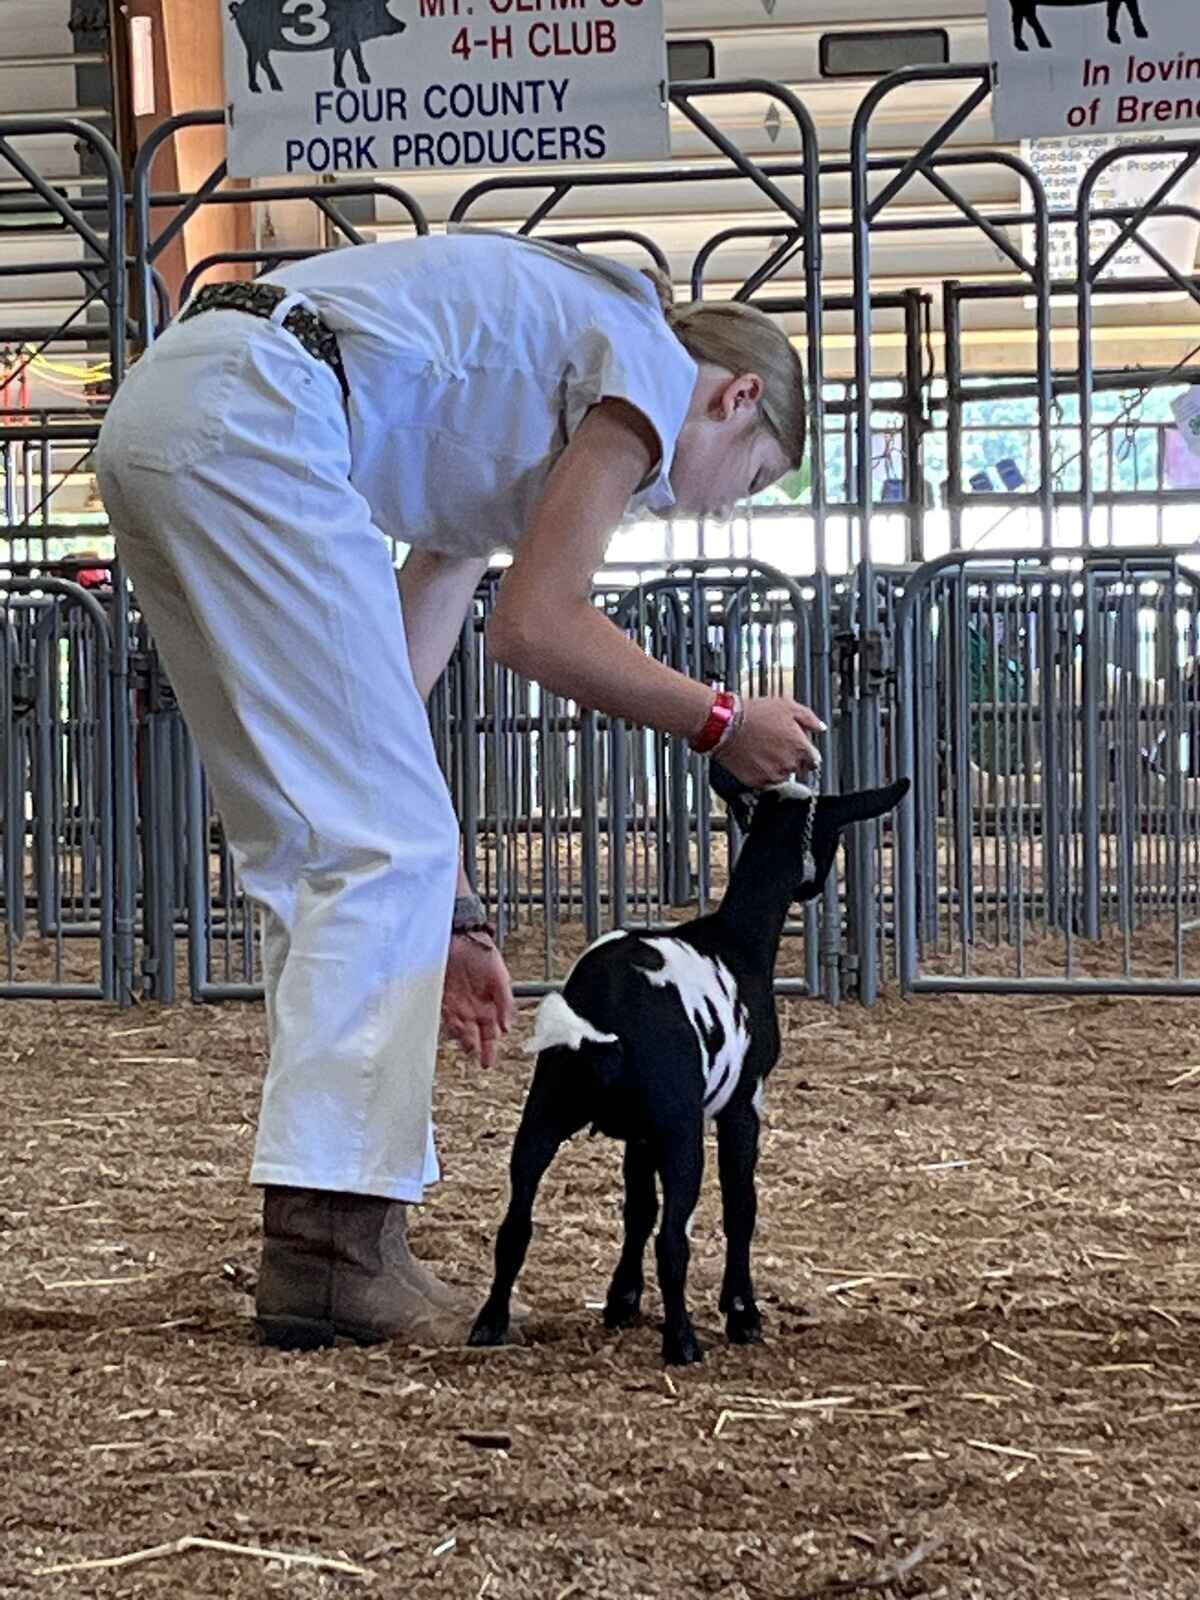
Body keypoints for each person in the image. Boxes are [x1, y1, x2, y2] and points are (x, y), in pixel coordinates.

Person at [94, 231, 822, 1351]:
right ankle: (334, 1250)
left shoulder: (533, 422)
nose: (720, 511)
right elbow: (541, 625)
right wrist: (720, 721)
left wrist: (459, 905)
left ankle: (327, 1238)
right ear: (731, 399)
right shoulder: (642, 369)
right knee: (367, 852)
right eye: (754, 477)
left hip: (174, 413)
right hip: (262, 418)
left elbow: (386, 693)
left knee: (321, 840)